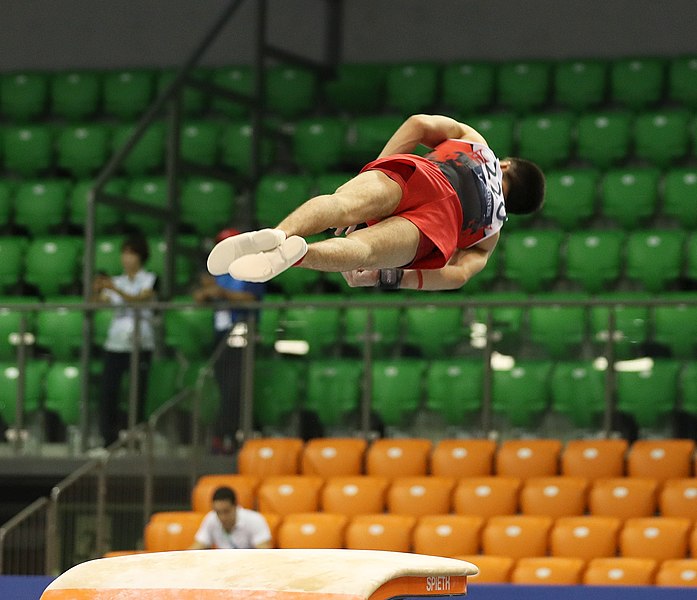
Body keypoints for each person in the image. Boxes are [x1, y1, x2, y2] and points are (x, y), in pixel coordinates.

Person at [207, 113, 545, 291]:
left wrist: (374, 171)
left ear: (506, 164)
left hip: (425, 174)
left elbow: (418, 124)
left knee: (341, 205)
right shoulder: (490, 233)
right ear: (513, 208)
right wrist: (391, 278)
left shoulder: (478, 144)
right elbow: (457, 276)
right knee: (363, 251)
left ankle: (279, 234)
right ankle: (298, 256)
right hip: (445, 223)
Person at [193, 228, 265, 454]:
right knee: (224, 386)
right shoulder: (217, 272)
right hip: (221, 334)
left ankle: (230, 435)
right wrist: (207, 294)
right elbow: (201, 296)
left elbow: (251, 297)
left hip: (242, 331)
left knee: (236, 386)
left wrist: (222, 293)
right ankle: (226, 434)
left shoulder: (252, 267)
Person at [92, 234, 157, 447]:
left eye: (132, 254)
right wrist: (98, 290)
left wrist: (115, 289)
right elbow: (99, 303)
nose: (127, 258)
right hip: (116, 344)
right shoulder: (116, 281)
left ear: (141, 257)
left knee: (138, 392)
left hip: (140, 343)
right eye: (124, 253)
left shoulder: (149, 278)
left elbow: (140, 299)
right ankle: (108, 438)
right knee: (109, 390)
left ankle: (135, 435)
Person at [189, 486, 272, 550]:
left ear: (236, 506)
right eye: (218, 512)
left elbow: (264, 553)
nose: (222, 517)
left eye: (226, 511)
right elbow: (197, 547)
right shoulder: (211, 519)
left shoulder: (255, 520)